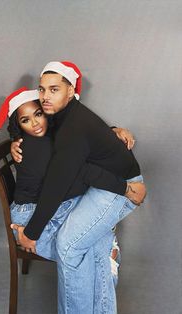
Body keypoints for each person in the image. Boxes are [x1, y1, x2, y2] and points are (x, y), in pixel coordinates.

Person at [9, 61, 146, 314]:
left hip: (117, 189)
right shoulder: (60, 117)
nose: (45, 97)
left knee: (69, 247)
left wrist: (31, 231)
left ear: (71, 91)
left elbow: (59, 181)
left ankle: (104, 252)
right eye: (42, 90)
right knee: (91, 249)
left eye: (54, 90)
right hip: (101, 183)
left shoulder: (71, 128)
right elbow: (73, 150)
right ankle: (107, 253)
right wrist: (15, 140)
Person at [0, 86, 140, 280]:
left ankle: (105, 245)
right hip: (31, 218)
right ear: (18, 125)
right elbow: (79, 171)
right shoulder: (36, 146)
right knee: (87, 247)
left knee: (96, 210)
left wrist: (111, 132)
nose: (35, 123)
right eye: (26, 120)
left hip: (49, 205)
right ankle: (106, 250)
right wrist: (125, 189)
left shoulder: (50, 136)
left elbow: (80, 141)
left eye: (38, 114)